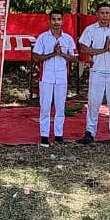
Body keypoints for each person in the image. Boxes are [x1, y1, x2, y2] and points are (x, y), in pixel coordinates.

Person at [77, 2, 110, 146]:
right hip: (97, 71)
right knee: (93, 103)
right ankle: (90, 132)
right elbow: (83, 48)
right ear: (97, 14)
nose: (105, 16)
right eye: (102, 13)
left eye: (107, 13)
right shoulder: (90, 30)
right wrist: (101, 50)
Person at [30, 9, 77, 146]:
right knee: (45, 107)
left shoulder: (68, 39)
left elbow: (75, 58)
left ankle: (58, 135)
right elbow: (36, 57)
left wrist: (61, 54)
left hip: (62, 78)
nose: (56, 22)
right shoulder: (43, 38)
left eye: (59, 19)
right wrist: (52, 54)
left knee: (60, 108)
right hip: (46, 78)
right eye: (54, 19)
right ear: (49, 21)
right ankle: (44, 136)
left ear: (63, 21)